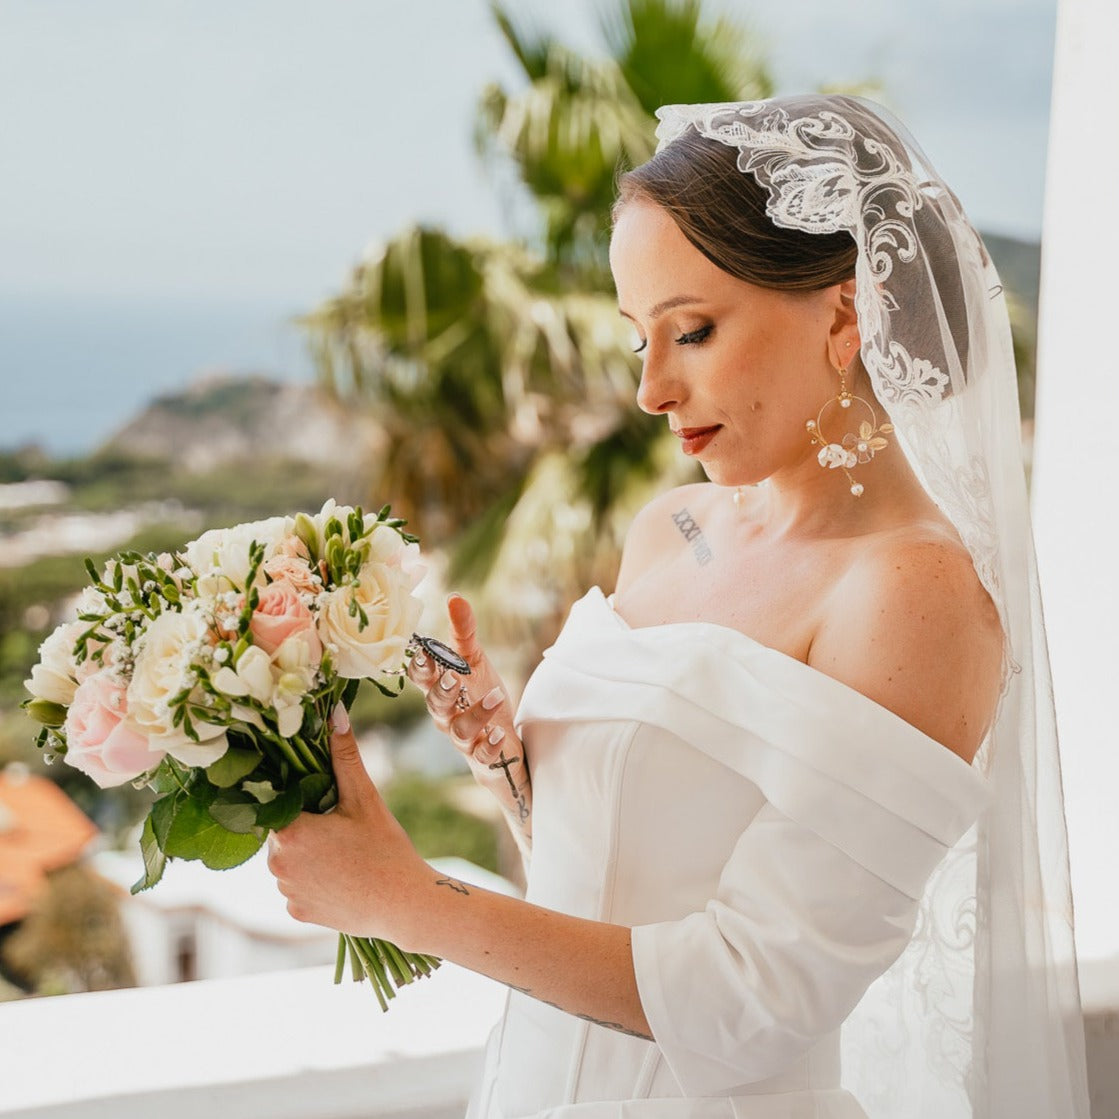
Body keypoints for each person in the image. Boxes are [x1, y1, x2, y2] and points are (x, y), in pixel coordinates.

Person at [267, 96, 1090, 1117]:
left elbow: (757, 1000)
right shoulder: (673, 527)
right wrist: (510, 764)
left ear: (845, 314)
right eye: (636, 339)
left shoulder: (910, 594)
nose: (652, 390)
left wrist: (406, 901)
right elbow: (626, 878)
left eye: (691, 331)